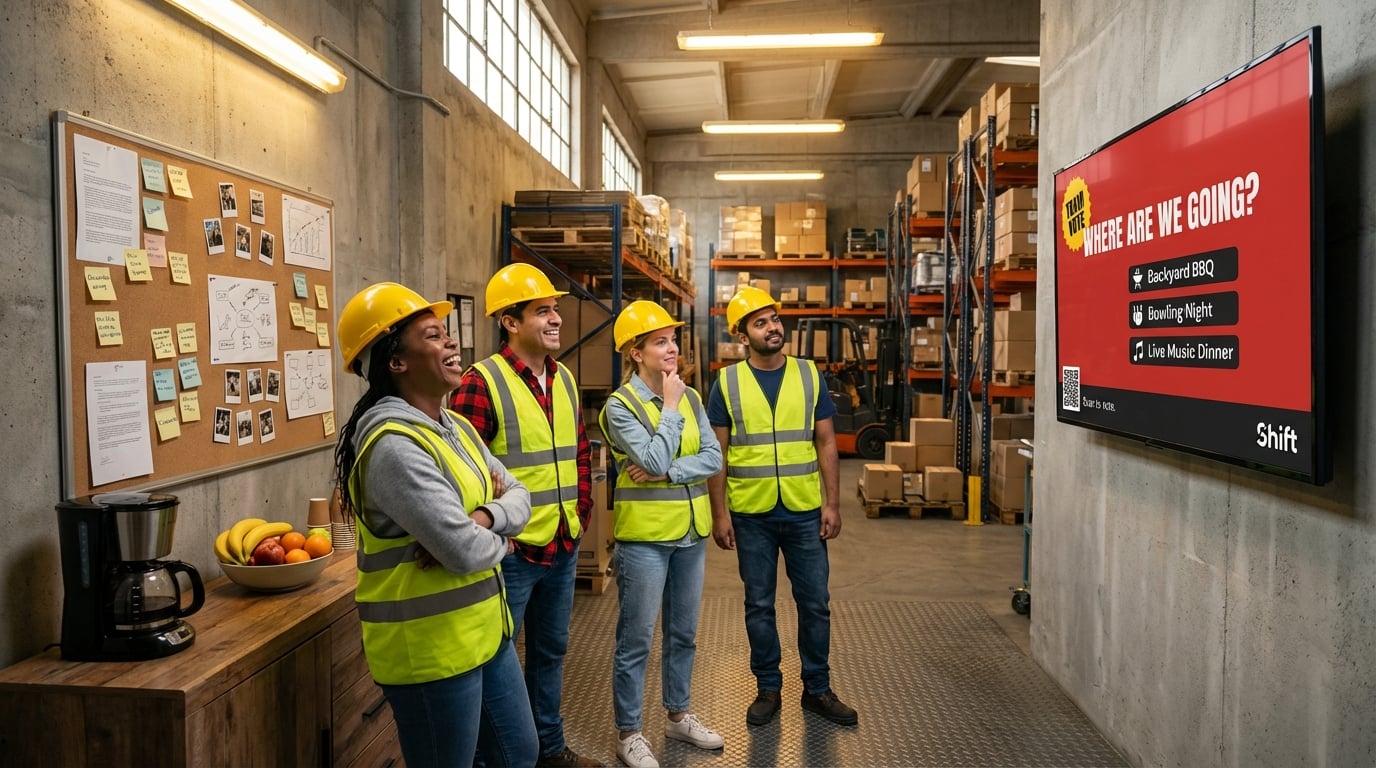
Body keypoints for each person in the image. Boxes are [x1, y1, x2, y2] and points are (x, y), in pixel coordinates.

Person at [334, 281, 537, 768]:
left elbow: (522, 496)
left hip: (485, 634)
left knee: (519, 754)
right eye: (433, 336)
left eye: (447, 333)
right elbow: (464, 550)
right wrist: (500, 541)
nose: (451, 343)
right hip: (429, 652)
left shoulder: (458, 428)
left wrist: (486, 518)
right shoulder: (393, 445)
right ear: (396, 362)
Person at [449, 263, 601, 768]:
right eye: (542, 311)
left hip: (560, 544)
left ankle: (549, 750)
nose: (556, 319)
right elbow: (461, 469)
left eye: (555, 309)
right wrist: (496, 532)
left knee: (551, 654)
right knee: (494, 662)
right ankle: (496, 759)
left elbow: (579, 451)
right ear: (511, 323)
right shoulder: (482, 382)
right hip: (511, 554)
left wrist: (579, 510)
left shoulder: (564, 378)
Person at [706, 285, 858, 728]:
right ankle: (768, 688)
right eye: (761, 322)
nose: (773, 327)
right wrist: (720, 514)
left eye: (774, 318)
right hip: (751, 514)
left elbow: (827, 441)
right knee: (759, 604)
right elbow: (718, 453)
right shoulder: (727, 383)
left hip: (804, 511)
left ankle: (817, 689)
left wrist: (833, 503)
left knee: (816, 604)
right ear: (742, 335)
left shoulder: (810, 375)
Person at [598, 301, 724, 768]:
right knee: (636, 640)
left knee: (683, 634)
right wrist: (668, 409)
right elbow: (646, 461)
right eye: (660, 341)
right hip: (645, 541)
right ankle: (628, 733)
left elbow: (713, 458)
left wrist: (671, 472)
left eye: (672, 340)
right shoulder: (620, 406)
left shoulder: (691, 397)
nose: (672, 348)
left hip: (691, 534)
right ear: (636, 352)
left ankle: (678, 713)